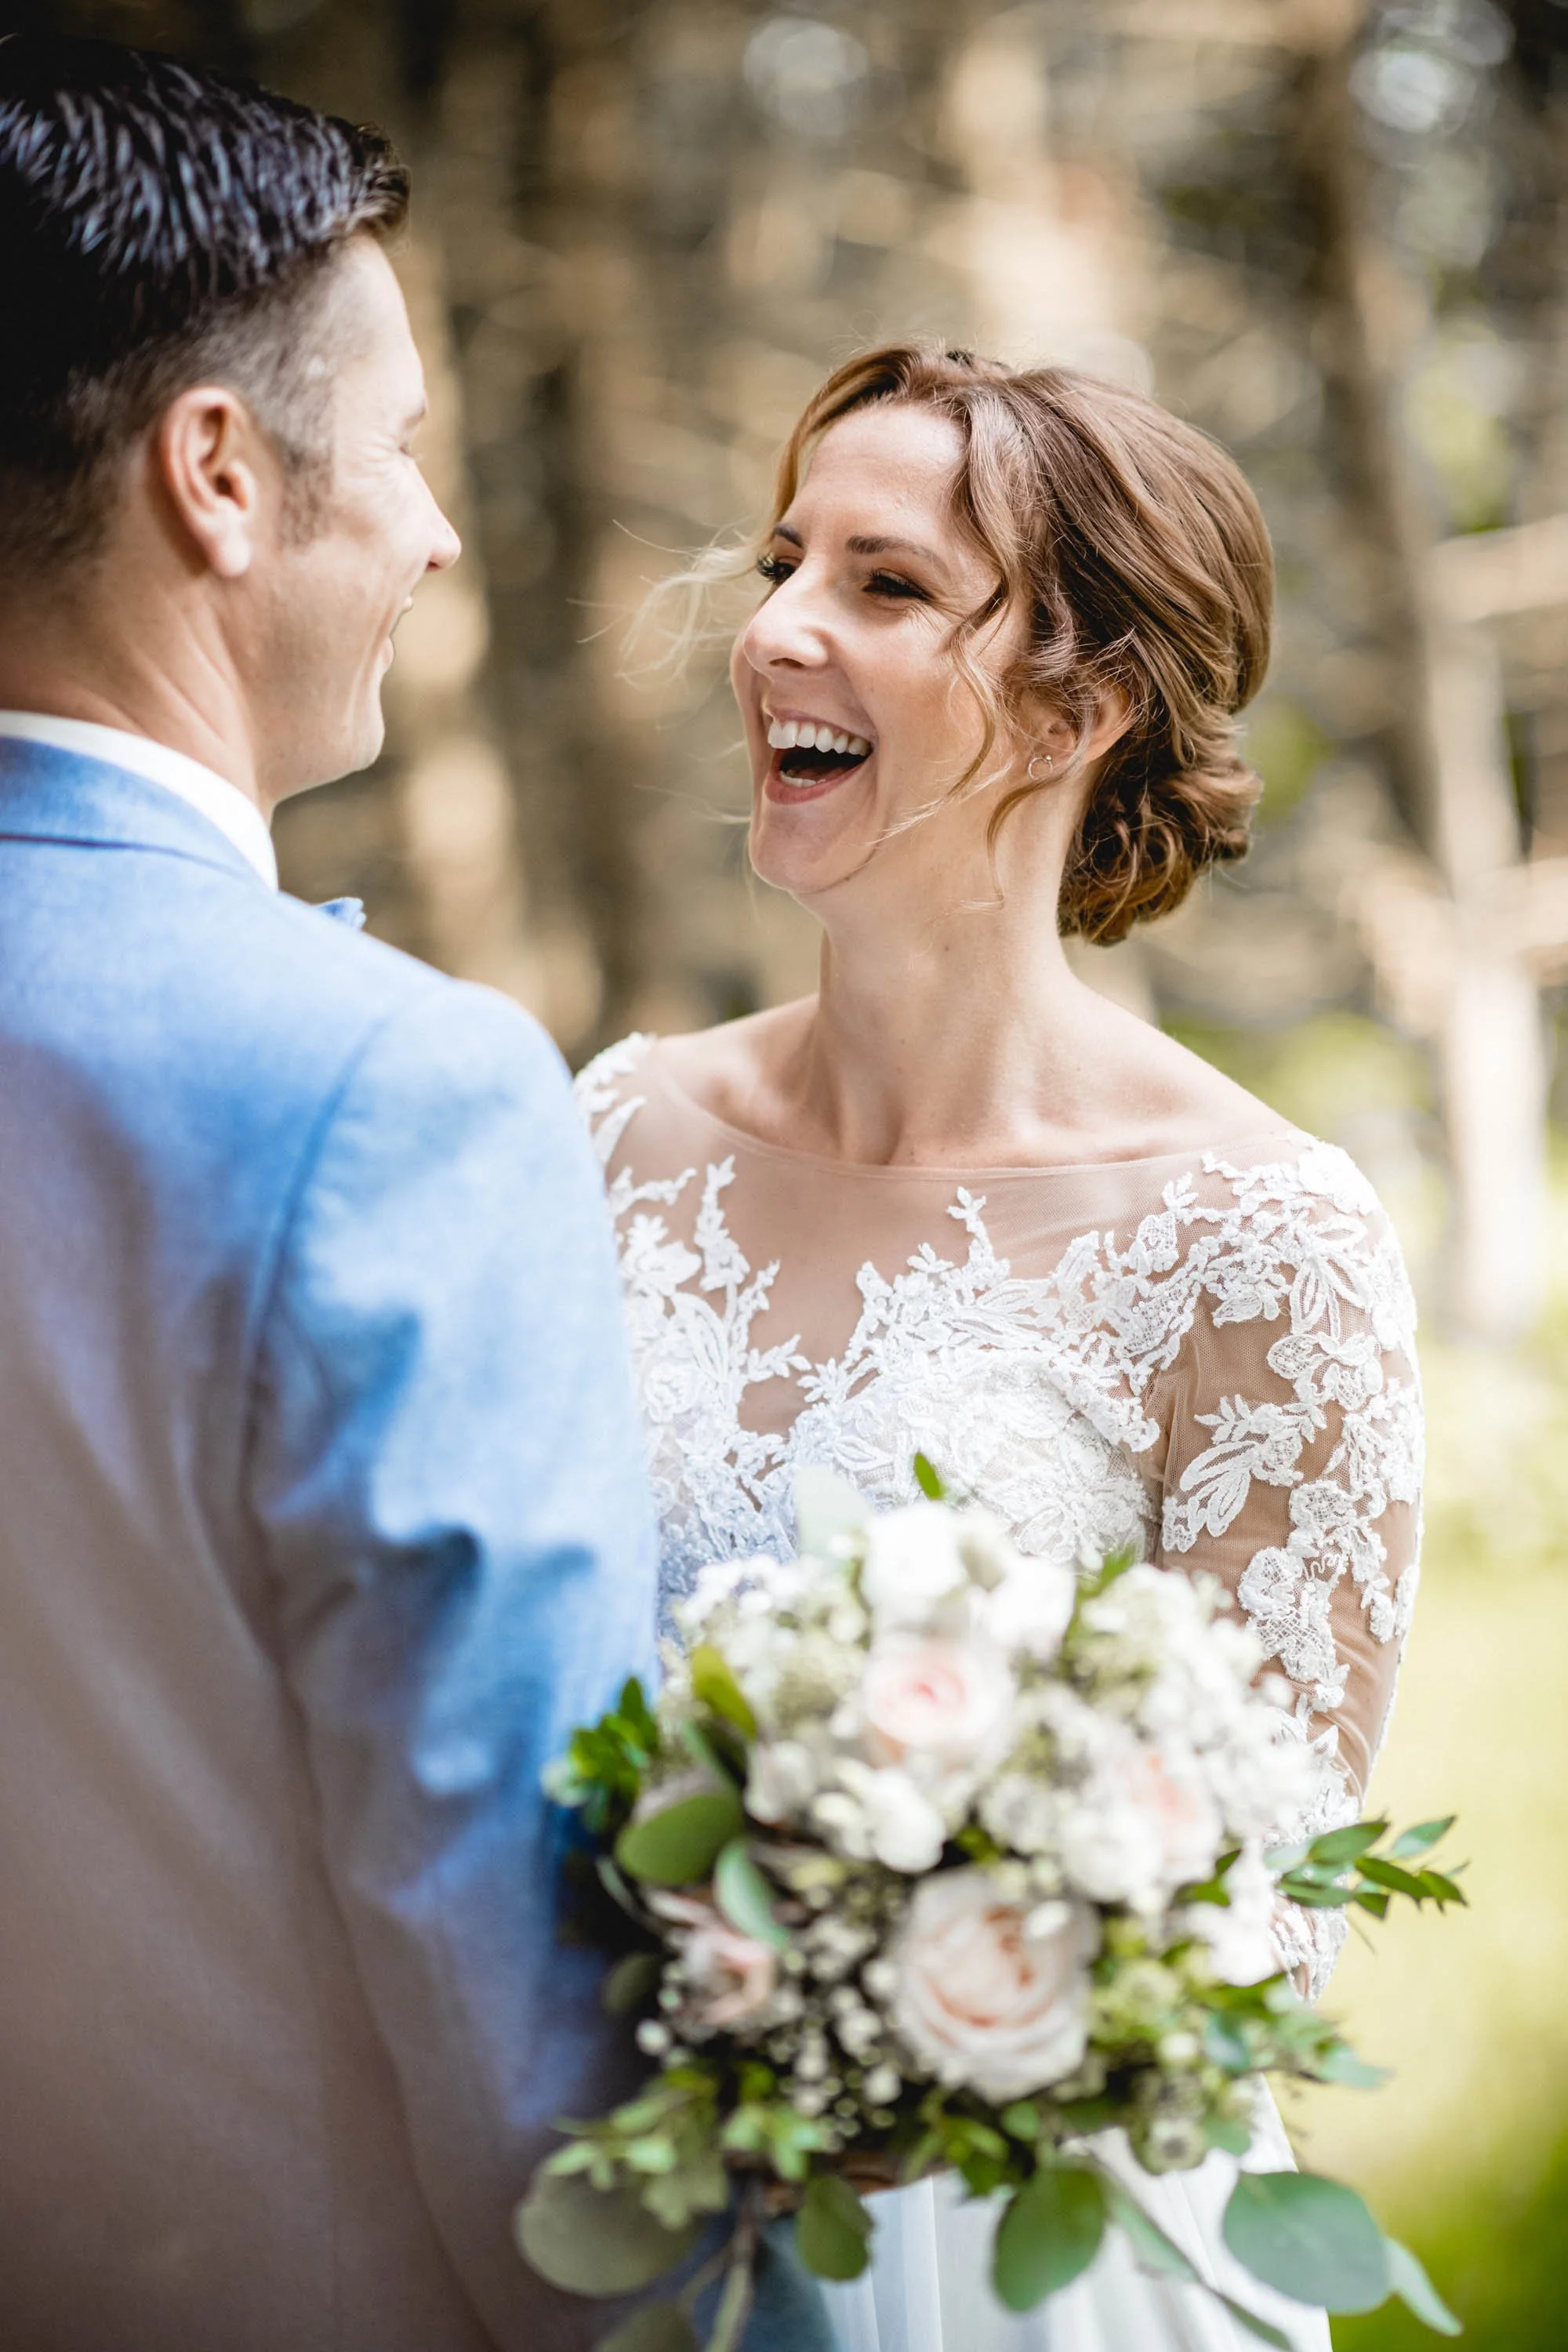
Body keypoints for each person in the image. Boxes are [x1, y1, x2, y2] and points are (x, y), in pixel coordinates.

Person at [0, 37, 833, 2352]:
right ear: (221, 479)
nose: (441, 532)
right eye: (407, 451)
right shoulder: (392, 1092)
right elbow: (530, 2038)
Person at [580, 343, 1424, 2350]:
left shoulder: (1252, 1238)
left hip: (1019, 2254)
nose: (773, 626)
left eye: (882, 585)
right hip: (602, 2195)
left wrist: (901, 2006)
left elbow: (1269, 1919)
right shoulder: (604, 1134)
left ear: (1085, 698)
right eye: (787, 559)